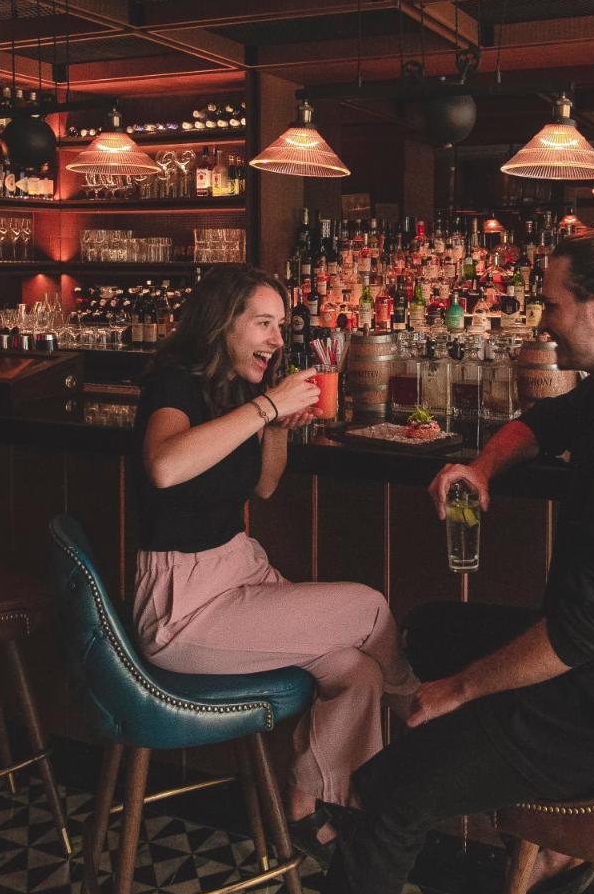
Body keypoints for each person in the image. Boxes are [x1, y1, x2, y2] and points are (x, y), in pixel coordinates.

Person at [272, 226, 594, 894]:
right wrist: (481, 466)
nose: (541, 321)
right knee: (428, 625)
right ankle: (506, 810)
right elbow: (546, 422)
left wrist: (456, 693)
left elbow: (584, 633)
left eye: (553, 305)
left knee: (390, 794)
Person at [132, 264, 418, 860]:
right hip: (183, 603)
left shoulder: (233, 391)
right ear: (221, 325)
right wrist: (267, 406)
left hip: (236, 570)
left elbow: (263, 487)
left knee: (356, 672)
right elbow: (164, 466)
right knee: (369, 608)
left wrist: (280, 425)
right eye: (263, 324)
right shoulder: (175, 384)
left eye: (279, 326)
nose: (277, 339)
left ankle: (308, 801)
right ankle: (423, 718)